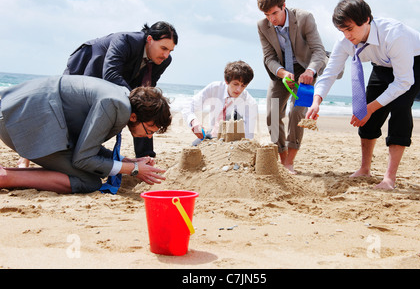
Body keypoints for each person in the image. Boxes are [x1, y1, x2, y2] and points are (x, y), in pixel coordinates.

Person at [306, 0, 420, 190]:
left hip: (415, 60)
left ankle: (389, 178)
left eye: (350, 29)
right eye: (342, 30)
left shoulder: (394, 35)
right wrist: (316, 100)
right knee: (366, 108)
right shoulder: (345, 40)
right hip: (383, 63)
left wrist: (371, 108)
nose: (347, 35)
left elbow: (403, 82)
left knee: (400, 106)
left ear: (366, 20)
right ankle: (365, 168)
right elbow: (330, 72)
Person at [0, 75, 172, 194]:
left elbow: (88, 145)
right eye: (150, 130)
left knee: (91, 173)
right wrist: (133, 170)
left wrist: (126, 161)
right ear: (135, 117)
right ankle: (6, 177)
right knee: (88, 181)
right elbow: (82, 158)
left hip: (25, 113)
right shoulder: (114, 105)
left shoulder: (122, 98)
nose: (149, 136)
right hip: (21, 122)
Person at [64, 21, 178, 159]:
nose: (166, 55)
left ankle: (145, 155)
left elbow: (146, 98)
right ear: (149, 39)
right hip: (89, 66)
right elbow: (111, 74)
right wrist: (135, 100)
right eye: (163, 48)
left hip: (126, 75)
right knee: (71, 114)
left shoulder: (164, 60)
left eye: (170, 51)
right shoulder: (125, 40)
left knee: (145, 107)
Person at [257, 0, 328, 174]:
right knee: (272, 114)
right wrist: (282, 73)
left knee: (297, 112)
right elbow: (268, 58)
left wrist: (311, 71)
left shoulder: (304, 18)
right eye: (267, 15)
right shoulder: (262, 26)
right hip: (281, 72)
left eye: (274, 13)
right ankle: (281, 158)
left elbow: (319, 51)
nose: (271, 19)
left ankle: (289, 162)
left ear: (284, 6)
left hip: (306, 69)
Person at [182, 61, 258, 145]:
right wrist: (194, 121)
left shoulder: (250, 103)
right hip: (212, 135)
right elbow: (189, 105)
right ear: (227, 80)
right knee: (191, 150)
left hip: (234, 141)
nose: (239, 90)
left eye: (243, 86)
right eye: (235, 84)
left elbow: (247, 135)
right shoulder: (214, 88)